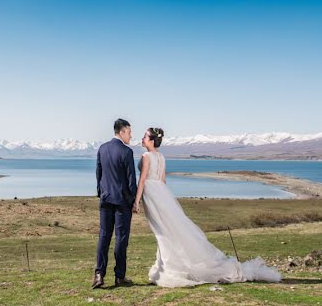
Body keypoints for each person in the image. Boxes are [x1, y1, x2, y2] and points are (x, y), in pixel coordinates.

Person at [134, 127, 282, 287]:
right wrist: (165, 199)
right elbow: (163, 181)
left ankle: (171, 268)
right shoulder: (161, 156)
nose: (142, 139)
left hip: (152, 195)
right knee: (170, 230)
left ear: (151, 140)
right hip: (162, 194)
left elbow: (142, 180)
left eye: (145, 136)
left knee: (163, 232)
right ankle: (165, 265)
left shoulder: (146, 156)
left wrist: (136, 201)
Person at [92, 118, 137, 289]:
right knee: (121, 238)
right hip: (122, 203)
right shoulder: (127, 152)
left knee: (104, 236)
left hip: (105, 199)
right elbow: (131, 180)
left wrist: (101, 193)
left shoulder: (102, 148)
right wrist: (132, 201)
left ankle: (98, 274)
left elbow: (99, 174)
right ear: (122, 131)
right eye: (130, 132)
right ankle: (119, 276)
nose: (131, 136)